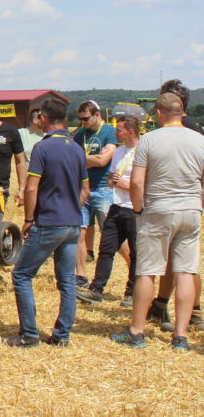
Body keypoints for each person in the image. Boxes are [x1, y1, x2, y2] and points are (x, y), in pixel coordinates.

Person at [111, 93, 204, 350]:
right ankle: (181, 336)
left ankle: (137, 332)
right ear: (182, 113)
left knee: (147, 271)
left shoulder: (150, 139)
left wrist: (139, 210)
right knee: (185, 271)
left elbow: (138, 182)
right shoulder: (199, 140)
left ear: (159, 114)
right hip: (190, 210)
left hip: (158, 209)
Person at [7, 98, 89, 347]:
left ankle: (29, 334)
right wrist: (74, 208)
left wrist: (30, 218)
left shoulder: (43, 148)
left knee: (21, 274)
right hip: (72, 223)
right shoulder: (76, 148)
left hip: (49, 222)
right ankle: (62, 335)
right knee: (66, 281)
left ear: (43, 118)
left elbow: (32, 189)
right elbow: (85, 189)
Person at [148, 78, 204, 329]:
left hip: (173, 201)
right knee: (181, 261)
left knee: (184, 265)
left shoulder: (179, 129)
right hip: (192, 203)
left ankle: (194, 311)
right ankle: (162, 305)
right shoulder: (196, 128)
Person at [76, 115, 139, 307]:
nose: (115, 133)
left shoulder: (144, 151)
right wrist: (113, 182)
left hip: (135, 209)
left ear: (130, 131)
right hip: (117, 205)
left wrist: (126, 184)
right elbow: (111, 179)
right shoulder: (119, 152)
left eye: (119, 130)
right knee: (106, 248)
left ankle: (131, 292)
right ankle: (96, 289)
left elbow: (148, 183)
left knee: (136, 252)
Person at [72, 100, 118, 285]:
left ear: (97, 114)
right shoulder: (80, 134)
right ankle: (81, 275)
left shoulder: (109, 132)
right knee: (79, 233)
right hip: (83, 189)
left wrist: (84, 158)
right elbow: (74, 159)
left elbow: (103, 161)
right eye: (80, 119)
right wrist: (92, 158)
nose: (82, 123)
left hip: (103, 189)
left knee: (112, 234)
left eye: (86, 118)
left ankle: (134, 272)